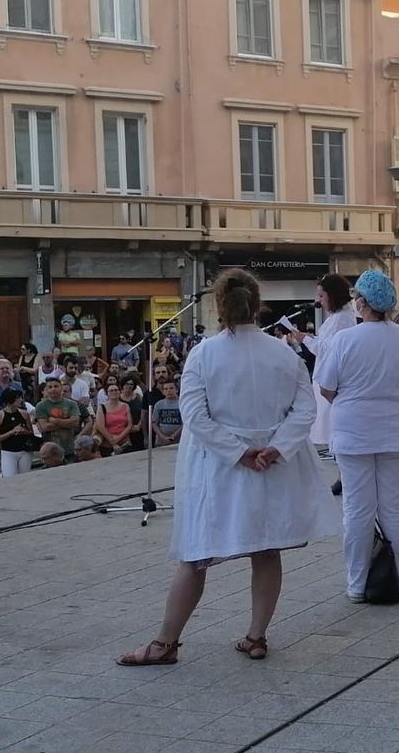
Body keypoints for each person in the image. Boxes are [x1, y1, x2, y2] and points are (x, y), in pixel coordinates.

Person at [116, 268, 336, 666]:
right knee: (267, 550)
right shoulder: (283, 353)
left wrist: (238, 452)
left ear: (219, 306)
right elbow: (306, 408)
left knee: (196, 552)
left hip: (218, 467)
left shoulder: (204, 353)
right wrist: (275, 448)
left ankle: (166, 642)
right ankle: (256, 635)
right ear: (258, 305)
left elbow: (195, 416)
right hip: (271, 464)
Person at [314, 270, 399, 602]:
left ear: (361, 302)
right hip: (397, 430)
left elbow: (327, 387)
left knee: (357, 508)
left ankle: (357, 583)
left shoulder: (345, 340)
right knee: (393, 506)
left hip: (353, 432)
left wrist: (350, 402)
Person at [288, 273, 355, 492]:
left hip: (333, 381)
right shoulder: (336, 318)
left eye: (321, 295)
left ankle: (345, 475)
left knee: (335, 429)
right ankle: (343, 474)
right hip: (325, 378)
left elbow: (328, 351)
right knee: (331, 429)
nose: (319, 301)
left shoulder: (342, 319)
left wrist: (305, 339)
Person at [0, 388, 39, 477]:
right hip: (8, 451)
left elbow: (31, 432)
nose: (21, 400)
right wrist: (12, 432)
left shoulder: (24, 414)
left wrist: (23, 431)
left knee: (25, 476)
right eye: (18, 398)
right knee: (9, 475)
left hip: (24, 450)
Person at [33, 377, 81, 459]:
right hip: (50, 451)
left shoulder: (71, 404)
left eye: (56, 386)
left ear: (61, 388)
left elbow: (75, 423)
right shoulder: (41, 406)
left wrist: (55, 421)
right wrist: (67, 422)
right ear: (46, 390)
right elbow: (45, 427)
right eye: (50, 387)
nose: (53, 389)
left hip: (69, 449)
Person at [93, 380, 134, 455]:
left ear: (120, 392)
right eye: (111, 390)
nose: (114, 392)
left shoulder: (126, 406)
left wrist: (118, 438)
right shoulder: (102, 407)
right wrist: (112, 441)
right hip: (107, 444)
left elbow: (129, 425)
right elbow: (100, 426)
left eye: (116, 390)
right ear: (106, 393)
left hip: (125, 443)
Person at [150, 379, 183, 446]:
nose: (168, 391)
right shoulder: (159, 404)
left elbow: (185, 423)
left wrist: (174, 435)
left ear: (177, 390)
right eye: (166, 389)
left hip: (179, 441)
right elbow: (154, 423)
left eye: (171, 388)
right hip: (161, 441)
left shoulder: (182, 403)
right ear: (163, 392)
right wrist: (162, 436)